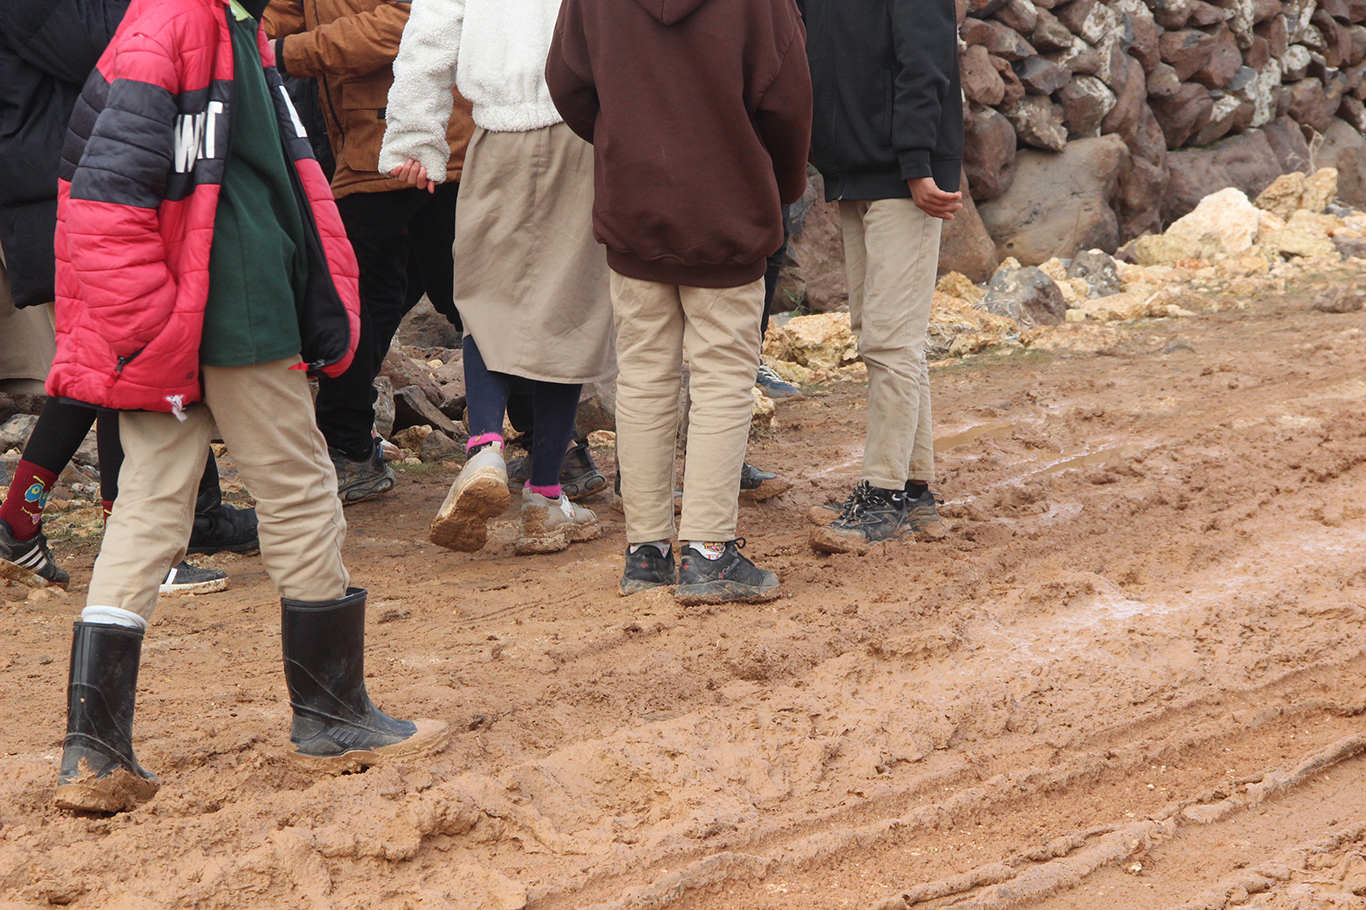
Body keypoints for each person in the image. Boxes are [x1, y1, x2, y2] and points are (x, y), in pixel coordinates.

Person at [49, 0, 446, 814]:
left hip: (198, 308)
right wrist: (150, 324)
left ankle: (94, 750)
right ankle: (333, 715)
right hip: (231, 309)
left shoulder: (227, 25)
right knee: (300, 488)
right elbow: (104, 194)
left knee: (148, 509)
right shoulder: (185, 22)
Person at [547, 0, 812, 603]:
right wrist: (776, 186)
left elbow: (567, 82)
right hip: (730, 208)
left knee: (642, 375)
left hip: (634, 202)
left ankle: (647, 553)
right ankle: (709, 552)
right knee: (722, 377)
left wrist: (626, 138)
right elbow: (788, 103)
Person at [0, 0, 255, 593]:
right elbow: (114, 49)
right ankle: (134, 545)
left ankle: (20, 517)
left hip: (83, 181)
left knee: (102, 364)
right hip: (66, 191)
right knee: (123, 362)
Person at [380, 0, 614, 556]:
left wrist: (415, 137)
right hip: (580, 130)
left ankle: (484, 447)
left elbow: (430, 32)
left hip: (495, 135)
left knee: (487, 296)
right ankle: (544, 497)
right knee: (568, 311)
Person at [264, 0, 476, 505]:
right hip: (372, 148)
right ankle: (350, 448)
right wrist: (240, 36)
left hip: (421, 142)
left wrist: (279, 53)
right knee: (373, 300)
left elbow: (407, 21)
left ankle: (350, 448)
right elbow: (277, 16)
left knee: (447, 300)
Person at [800, 0, 962, 554]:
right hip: (856, 173)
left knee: (889, 338)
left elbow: (926, 61)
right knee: (885, 334)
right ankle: (914, 490)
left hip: (905, 178)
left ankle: (882, 494)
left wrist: (918, 162)